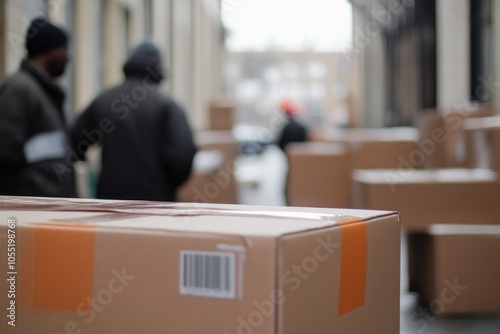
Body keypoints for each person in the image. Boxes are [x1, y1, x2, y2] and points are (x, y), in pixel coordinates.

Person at [70, 40, 197, 201]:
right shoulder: (167, 106)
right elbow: (182, 157)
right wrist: (165, 182)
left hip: (109, 203)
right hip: (155, 204)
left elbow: (75, 142)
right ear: (158, 70)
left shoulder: (105, 101)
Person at [0, 17, 75, 197]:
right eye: (64, 48)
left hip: (47, 207)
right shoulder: (19, 89)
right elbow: (5, 153)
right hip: (28, 211)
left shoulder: (44, 91)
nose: (67, 56)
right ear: (49, 50)